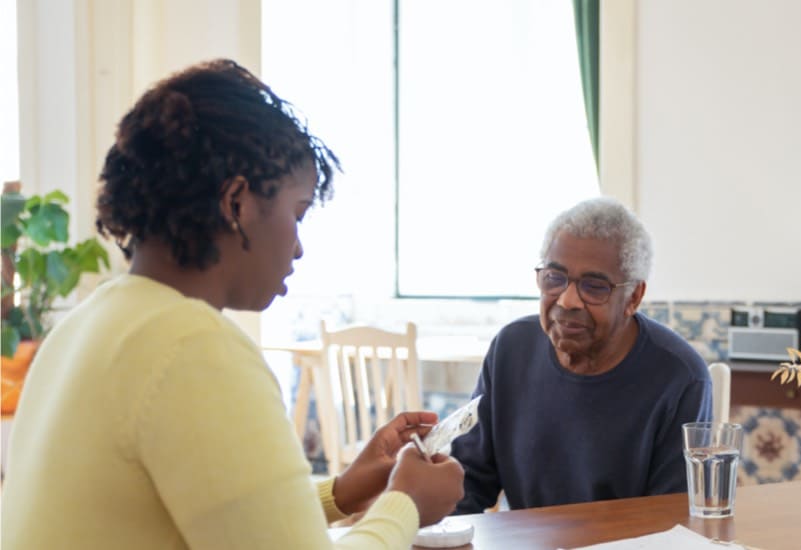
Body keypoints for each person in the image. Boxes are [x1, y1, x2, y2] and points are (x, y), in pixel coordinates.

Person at [0, 59, 463, 549]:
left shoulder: (88, 323)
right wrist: (406, 503)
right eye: (297, 212)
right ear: (237, 202)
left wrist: (345, 491)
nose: (299, 246)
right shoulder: (193, 346)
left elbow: (223, 514)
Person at [451, 197, 712, 513]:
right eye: (554, 278)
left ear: (634, 297)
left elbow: (671, 518)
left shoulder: (681, 377)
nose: (568, 300)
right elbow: (467, 485)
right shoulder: (511, 348)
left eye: (594, 286)